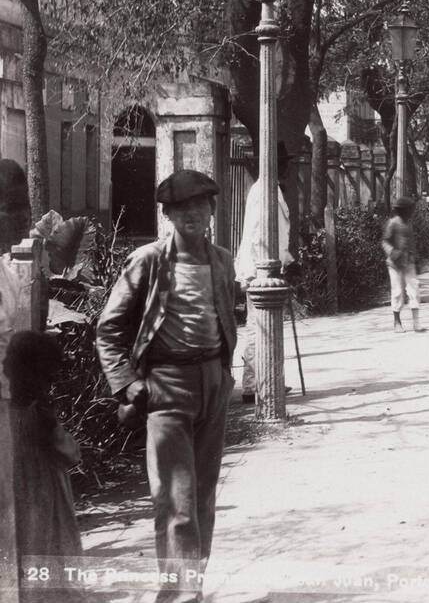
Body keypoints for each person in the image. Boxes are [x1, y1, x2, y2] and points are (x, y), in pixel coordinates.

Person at [96, 169, 238, 603]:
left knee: (204, 497)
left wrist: (227, 374)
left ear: (212, 209)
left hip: (213, 383)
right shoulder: (149, 261)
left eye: (200, 205)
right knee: (175, 499)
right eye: (181, 208)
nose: (192, 214)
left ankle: (192, 585)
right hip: (167, 385)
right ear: (169, 216)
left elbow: (225, 316)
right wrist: (127, 384)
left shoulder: (222, 260)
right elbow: (109, 328)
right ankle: (179, 594)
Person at [5, 330, 84, 599]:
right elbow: (71, 453)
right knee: (49, 548)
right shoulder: (40, 414)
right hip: (45, 498)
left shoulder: (6, 415)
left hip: (13, 498)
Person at [233, 146, 293, 404]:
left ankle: (261, 381)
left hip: (261, 266)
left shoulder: (269, 189)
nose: (286, 167)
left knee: (259, 327)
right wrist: (276, 266)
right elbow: (262, 235)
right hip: (260, 268)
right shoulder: (264, 190)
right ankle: (256, 385)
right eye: (282, 162)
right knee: (259, 328)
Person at [382, 197, 421, 332]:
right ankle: (397, 322)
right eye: (410, 210)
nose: (411, 213)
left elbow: (412, 242)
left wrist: (416, 258)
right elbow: (385, 241)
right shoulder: (392, 223)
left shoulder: (408, 224)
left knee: (414, 289)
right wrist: (393, 252)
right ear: (402, 211)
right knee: (397, 291)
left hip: (409, 261)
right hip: (395, 263)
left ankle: (416, 322)